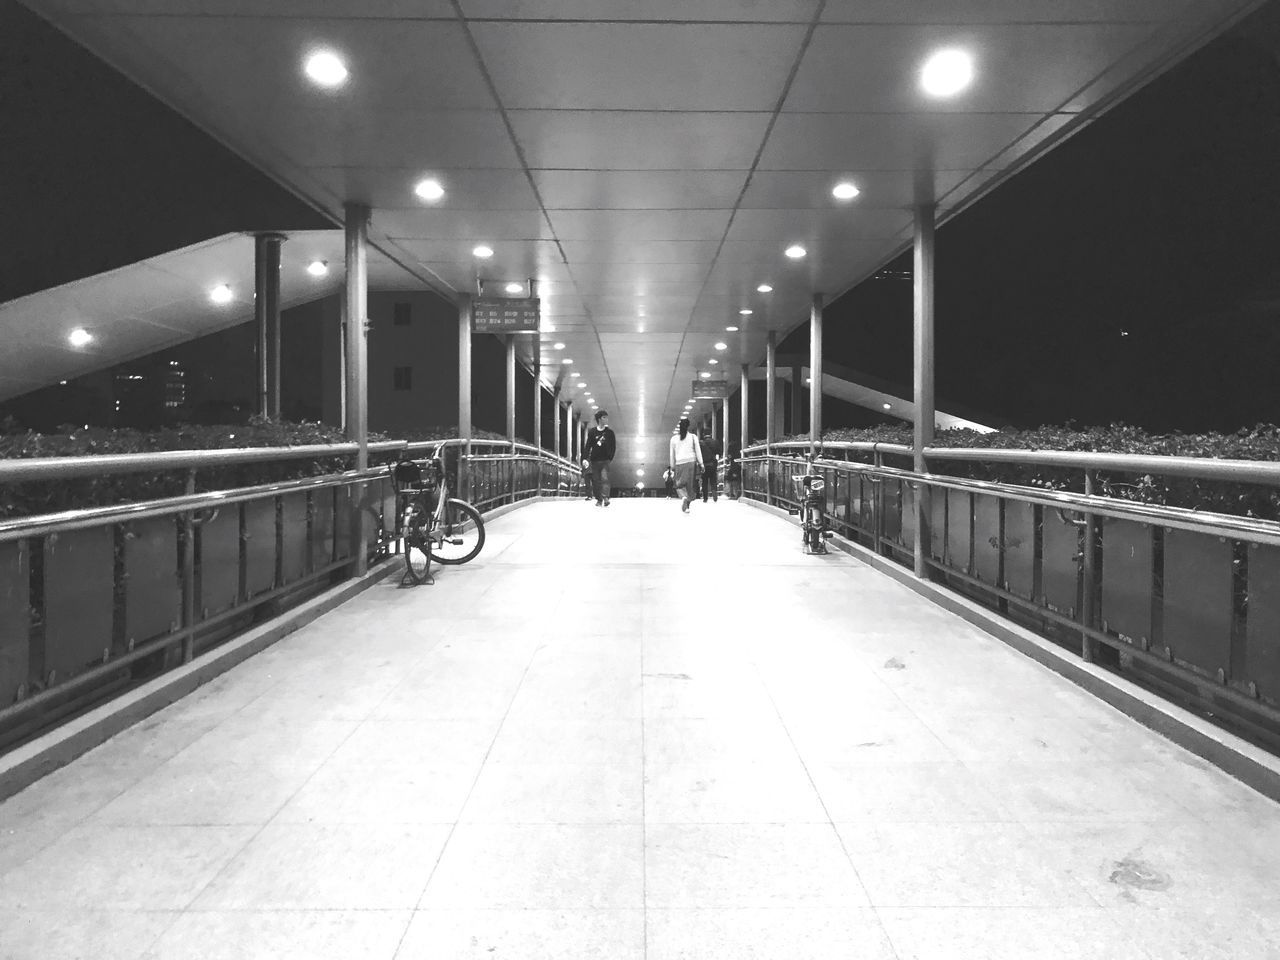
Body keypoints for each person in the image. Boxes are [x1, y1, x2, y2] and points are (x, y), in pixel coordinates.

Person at [668, 416, 703, 514]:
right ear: (688, 426)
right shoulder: (693, 437)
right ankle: (687, 506)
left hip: (680, 463)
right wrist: (701, 463)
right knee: (690, 487)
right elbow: (698, 451)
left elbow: (672, 454)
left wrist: (672, 466)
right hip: (692, 463)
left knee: (679, 485)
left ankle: (683, 497)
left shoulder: (674, 439)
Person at [583, 409, 616, 506]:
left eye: (607, 417)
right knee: (596, 481)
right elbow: (588, 445)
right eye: (604, 417)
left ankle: (605, 498)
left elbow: (613, 446)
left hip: (605, 460)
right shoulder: (592, 432)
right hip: (594, 460)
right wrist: (585, 458)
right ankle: (599, 499)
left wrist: (610, 457)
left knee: (605, 478)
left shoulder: (610, 433)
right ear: (599, 419)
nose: (606, 419)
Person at [699, 429, 722, 503]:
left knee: (704, 481)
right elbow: (719, 452)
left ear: (703, 434)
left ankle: (705, 498)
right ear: (711, 434)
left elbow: (698, 454)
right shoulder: (715, 442)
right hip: (713, 463)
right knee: (713, 479)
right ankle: (714, 491)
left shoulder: (701, 443)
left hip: (704, 464)